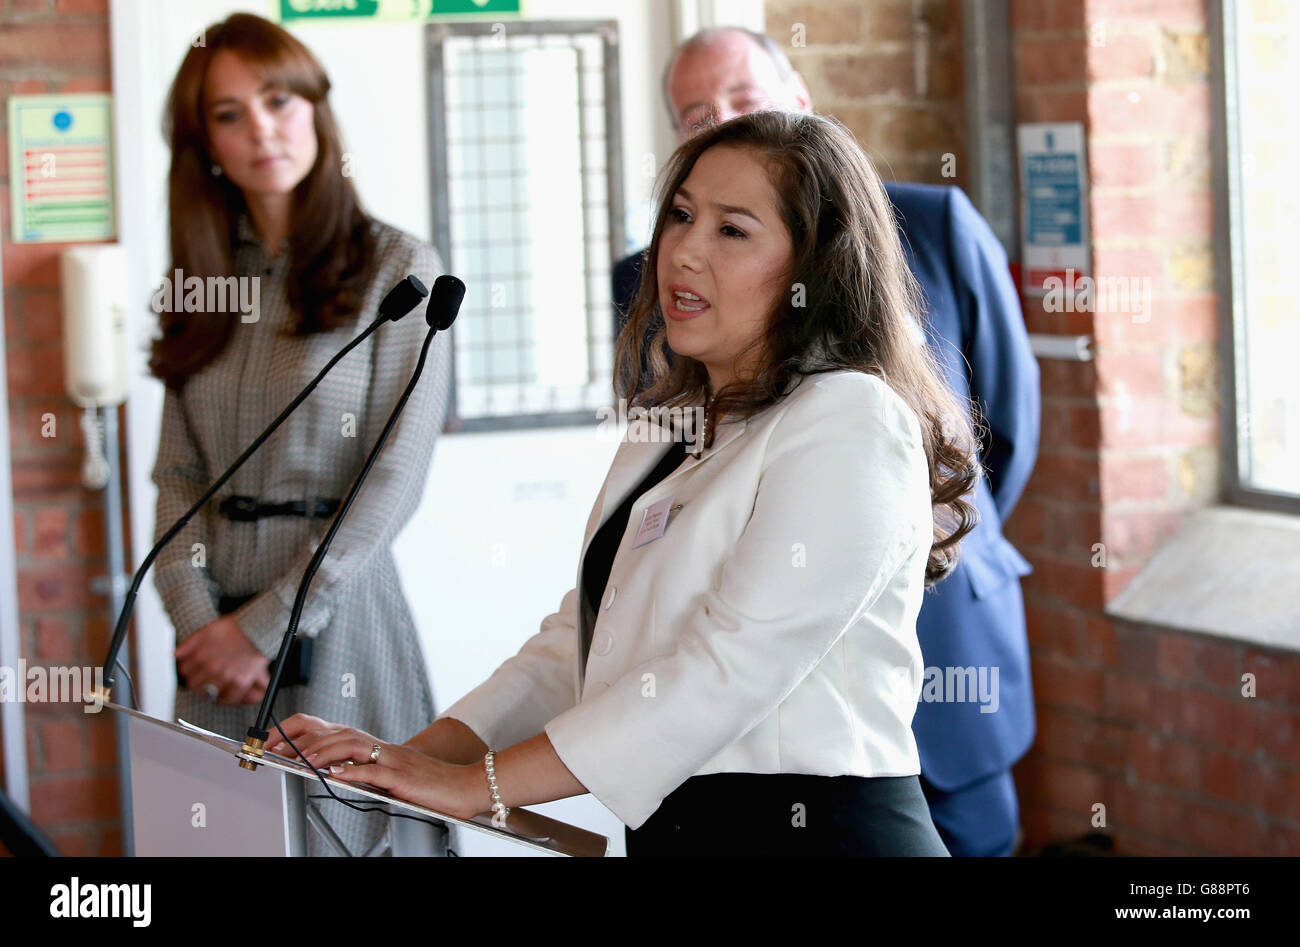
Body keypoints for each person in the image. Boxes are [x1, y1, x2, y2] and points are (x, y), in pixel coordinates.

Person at [273, 109, 978, 857]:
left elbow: (725, 669)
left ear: (815, 268)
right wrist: (413, 755)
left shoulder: (849, 417)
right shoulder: (667, 427)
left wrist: (476, 784)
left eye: (731, 230)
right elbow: (580, 641)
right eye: (680, 215)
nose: (683, 252)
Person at [611, 27, 1040, 857]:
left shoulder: (932, 222)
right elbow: (674, 475)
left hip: (951, 645)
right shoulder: (656, 275)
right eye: (695, 112)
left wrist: (908, 537)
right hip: (769, 713)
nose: (723, 120)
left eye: (742, 97)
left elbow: (1005, 427)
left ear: (802, 100)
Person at [149, 13, 452, 856]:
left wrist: (265, 627)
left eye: (278, 100)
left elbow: (395, 479)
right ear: (202, 141)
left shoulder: (400, 267)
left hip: (337, 614)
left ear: (314, 108)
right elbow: (176, 473)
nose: (262, 129)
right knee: (223, 841)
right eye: (228, 112)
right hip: (210, 641)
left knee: (350, 837)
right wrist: (197, 624)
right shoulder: (197, 281)